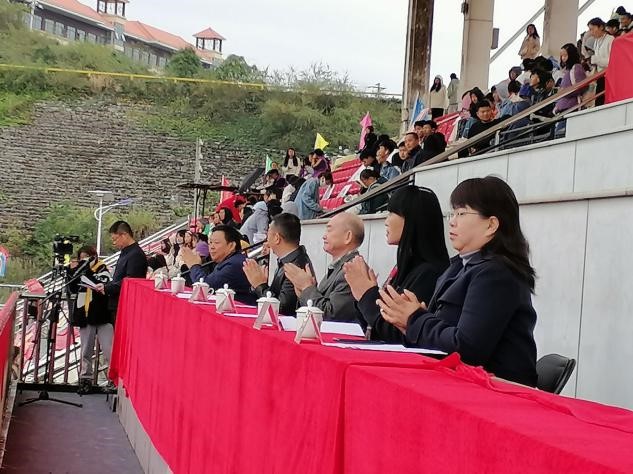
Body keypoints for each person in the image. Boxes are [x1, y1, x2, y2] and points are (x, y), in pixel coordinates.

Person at [376, 176, 538, 387]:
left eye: (461, 213)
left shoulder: (497, 273)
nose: (452, 221)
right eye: (452, 213)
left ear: (491, 225)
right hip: (460, 385)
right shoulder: (457, 267)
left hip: (496, 393)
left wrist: (415, 319)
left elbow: (467, 349)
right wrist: (410, 321)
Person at [344, 186, 449, 341]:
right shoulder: (405, 267)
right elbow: (372, 325)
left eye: (392, 213)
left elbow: (397, 333)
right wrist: (362, 294)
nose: (386, 221)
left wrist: (367, 295)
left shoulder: (429, 273)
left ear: (412, 219)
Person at [285, 212, 364, 322]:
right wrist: (302, 293)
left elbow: (330, 316)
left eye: (329, 230)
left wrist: (306, 287)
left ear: (348, 237)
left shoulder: (351, 270)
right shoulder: (339, 267)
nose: (324, 236)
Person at [243, 213, 314, 315]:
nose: (266, 239)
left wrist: (260, 285)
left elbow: (281, 308)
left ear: (277, 238)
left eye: (268, 233)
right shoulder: (289, 260)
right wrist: (259, 285)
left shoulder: (296, 266)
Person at [69, 245, 114, 394]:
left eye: (86, 257)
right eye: (81, 258)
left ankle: (113, 379)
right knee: (85, 350)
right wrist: (71, 272)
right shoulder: (79, 270)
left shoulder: (102, 268)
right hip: (85, 315)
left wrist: (86, 271)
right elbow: (72, 288)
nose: (84, 260)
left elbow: (102, 282)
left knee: (109, 349)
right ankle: (85, 379)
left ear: (93, 256)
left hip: (102, 315)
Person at [181, 225, 255, 304]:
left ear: (231, 246)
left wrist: (194, 265)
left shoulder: (234, 264)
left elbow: (205, 288)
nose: (211, 247)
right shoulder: (230, 260)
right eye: (210, 243)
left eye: (216, 243)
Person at [95, 221, 147, 321]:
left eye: (115, 239)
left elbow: (130, 281)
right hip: (118, 302)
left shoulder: (136, 254)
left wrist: (107, 288)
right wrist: (106, 285)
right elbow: (119, 277)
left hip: (126, 305)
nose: (114, 243)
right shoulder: (126, 252)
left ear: (124, 235)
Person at [554, 43, 588, 114]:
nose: (563, 58)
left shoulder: (577, 67)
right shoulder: (568, 70)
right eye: (561, 56)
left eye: (565, 55)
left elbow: (581, 86)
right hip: (565, 104)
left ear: (571, 55)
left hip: (572, 105)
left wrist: (565, 91)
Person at [587, 17, 614, 106]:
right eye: (590, 30)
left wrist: (596, 60)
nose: (591, 32)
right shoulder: (596, 41)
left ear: (601, 27)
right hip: (600, 75)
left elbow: (612, 61)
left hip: (608, 75)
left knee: (604, 101)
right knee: (598, 102)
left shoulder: (610, 39)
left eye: (592, 29)